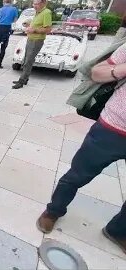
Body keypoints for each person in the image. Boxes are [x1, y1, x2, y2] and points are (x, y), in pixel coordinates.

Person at [36, 41, 126, 255]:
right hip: (111, 129)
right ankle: (53, 211)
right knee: (78, 175)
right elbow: (97, 73)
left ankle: (118, 231)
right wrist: (121, 69)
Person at [12, 0, 52, 89]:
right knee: (26, 59)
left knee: (28, 61)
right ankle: (25, 78)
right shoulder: (38, 12)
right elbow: (38, 24)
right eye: (34, 3)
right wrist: (29, 24)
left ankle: (22, 81)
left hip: (36, 40)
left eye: (37, 4)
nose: (34, 6)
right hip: (31, 39)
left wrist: (34, 30)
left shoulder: (46, 13)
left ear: (43, 3)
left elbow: (48, 29)